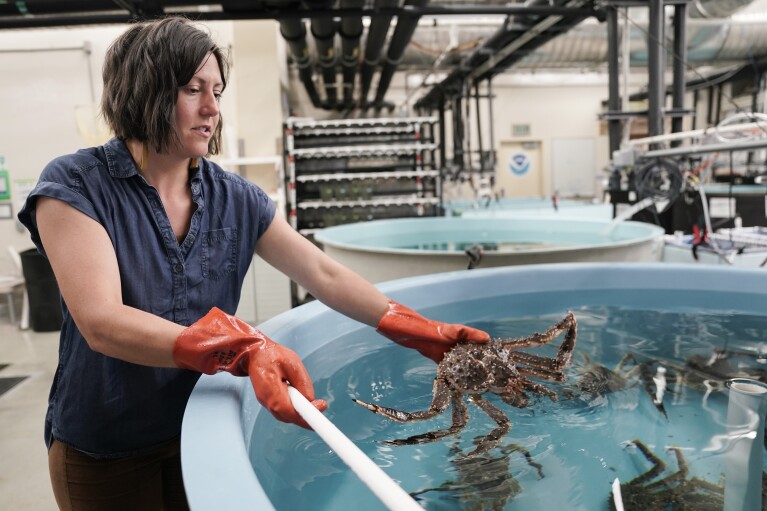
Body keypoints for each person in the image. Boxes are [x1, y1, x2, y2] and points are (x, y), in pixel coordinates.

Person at [17, 16, 490, 511]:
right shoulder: (77, 185)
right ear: (144, 92)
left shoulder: (235, 198)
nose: (211, 108)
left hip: (200, 429)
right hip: (105, 445)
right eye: (192, 89)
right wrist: (240, 349)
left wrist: (414, 328)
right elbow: (101, 323)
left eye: (217, 91)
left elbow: (324, 273)